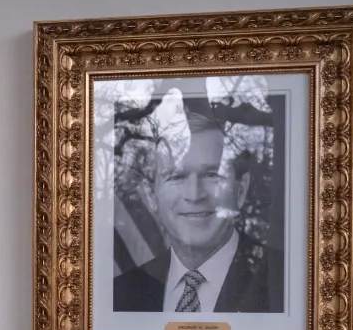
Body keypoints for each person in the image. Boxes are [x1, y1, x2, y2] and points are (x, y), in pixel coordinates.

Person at [113, 107, 284, 313]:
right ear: (151, 196)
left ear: (240, 190)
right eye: (176, 177)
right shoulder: (121, 295)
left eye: (212, 175)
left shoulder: (288, 282)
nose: (194, 195)